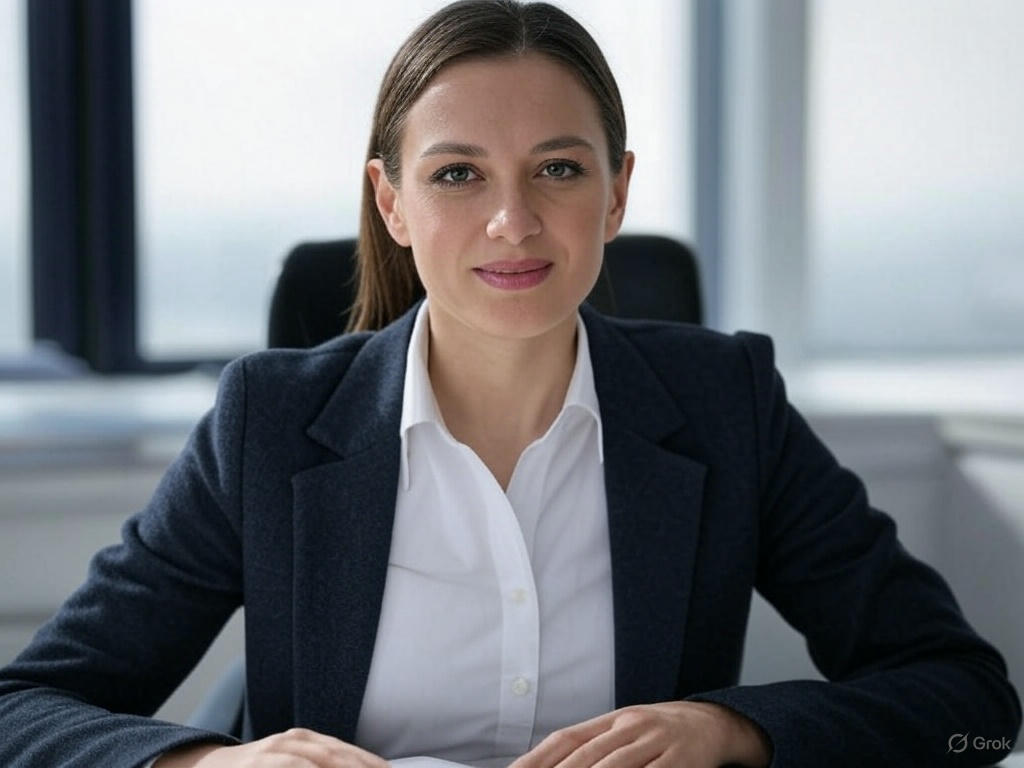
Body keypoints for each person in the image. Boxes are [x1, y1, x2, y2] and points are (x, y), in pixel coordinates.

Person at [0, 1, 1020, 766]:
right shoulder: (267, 421)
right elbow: (24, 707)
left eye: (559, 170)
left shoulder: (726, 404)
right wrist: (209, 762)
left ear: (617, 191)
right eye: (457, 174)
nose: (513, 222)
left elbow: (968, 704)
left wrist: (729, 730)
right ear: (390, 201)